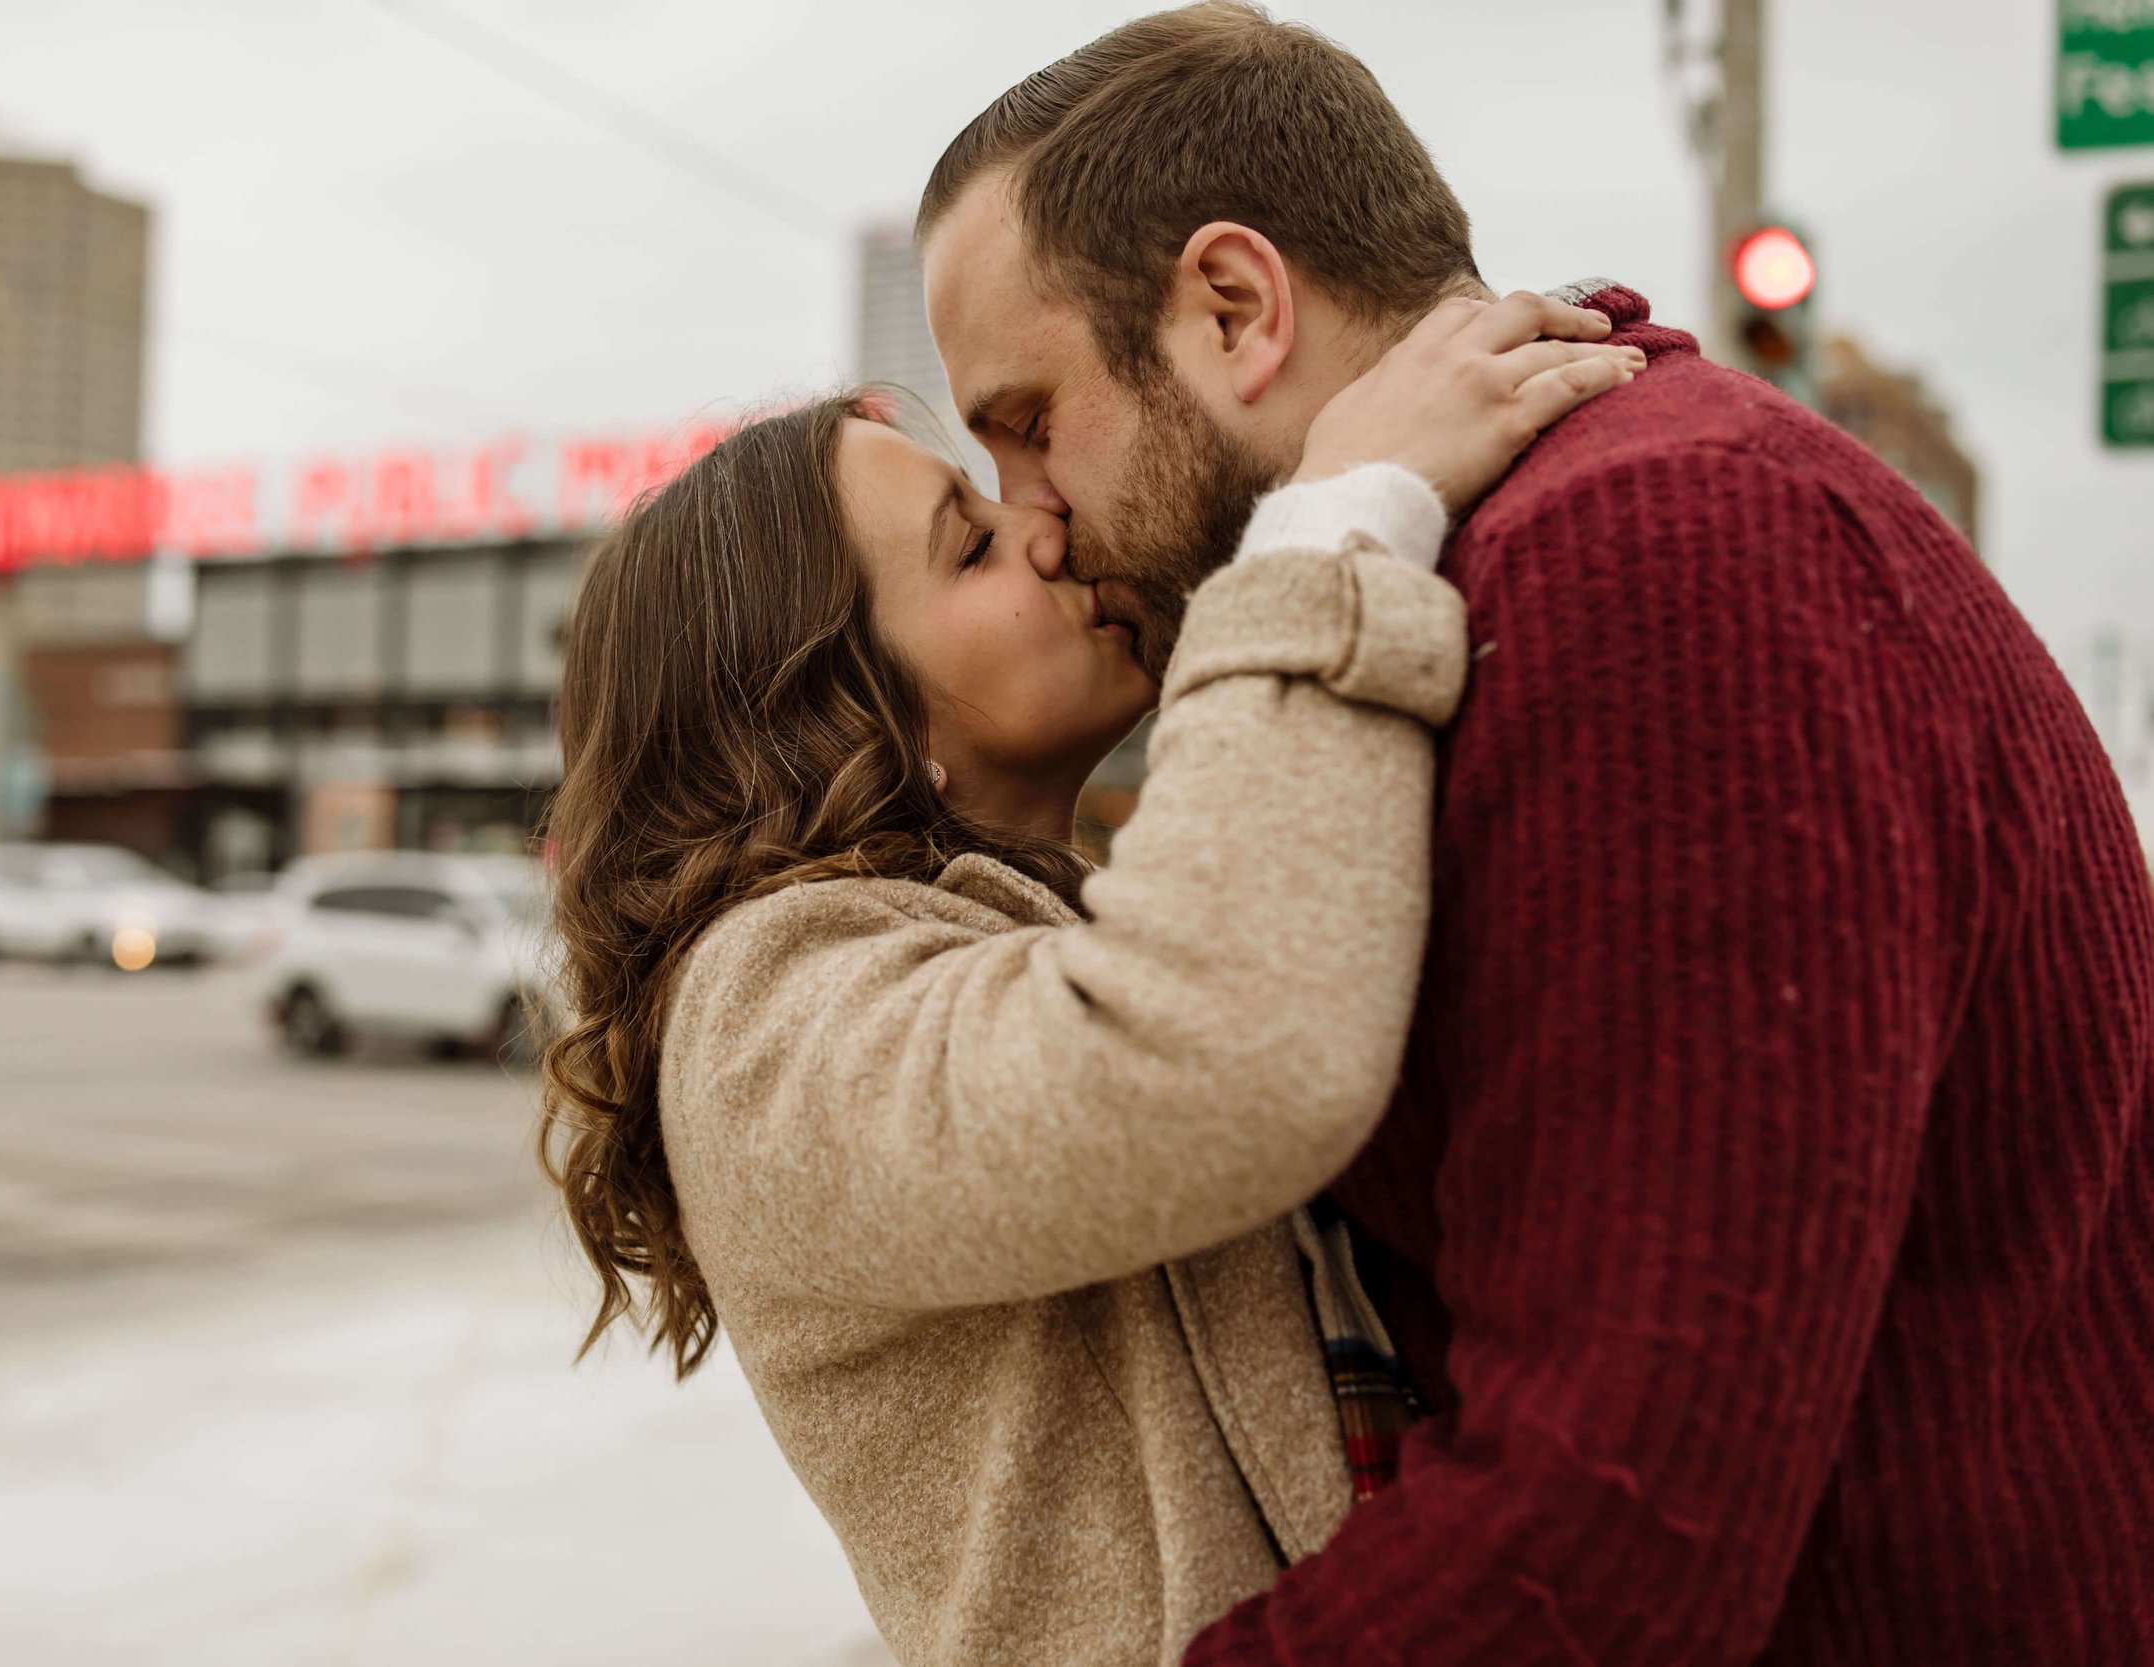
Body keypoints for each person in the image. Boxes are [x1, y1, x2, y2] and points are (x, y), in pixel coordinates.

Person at [913, 6, 2154, 1665]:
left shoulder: (1655, 558)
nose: (1032, 519)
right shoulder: (1518, 567)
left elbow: (1614, 1518)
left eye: (1029, 421)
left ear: (1233, 307)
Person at [536, 300, 1641, 1664]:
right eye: (971, 542)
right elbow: (1205, 1057)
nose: (1045, 528)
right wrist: (1340, 515)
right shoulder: (758, 1015)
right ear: (838, 708)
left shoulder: (1046, 928)